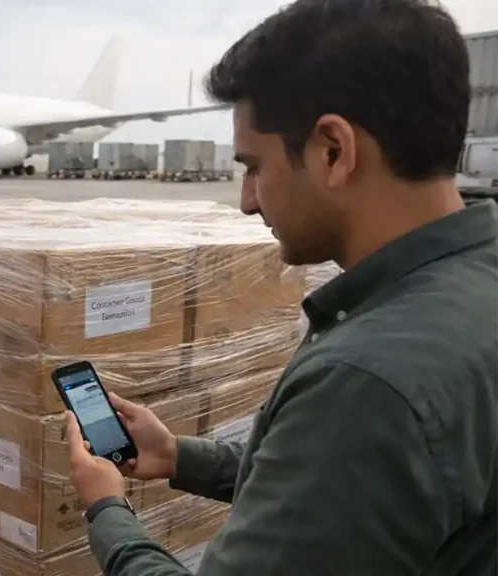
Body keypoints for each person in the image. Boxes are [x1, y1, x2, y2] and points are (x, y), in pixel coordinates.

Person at [64, 0, 498, 574]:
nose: (246, 201)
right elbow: (345, 491)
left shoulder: (367, 384)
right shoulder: (473, 282)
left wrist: (107, 509)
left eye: (253, 166)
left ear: (333, 151)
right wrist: (179, 457)